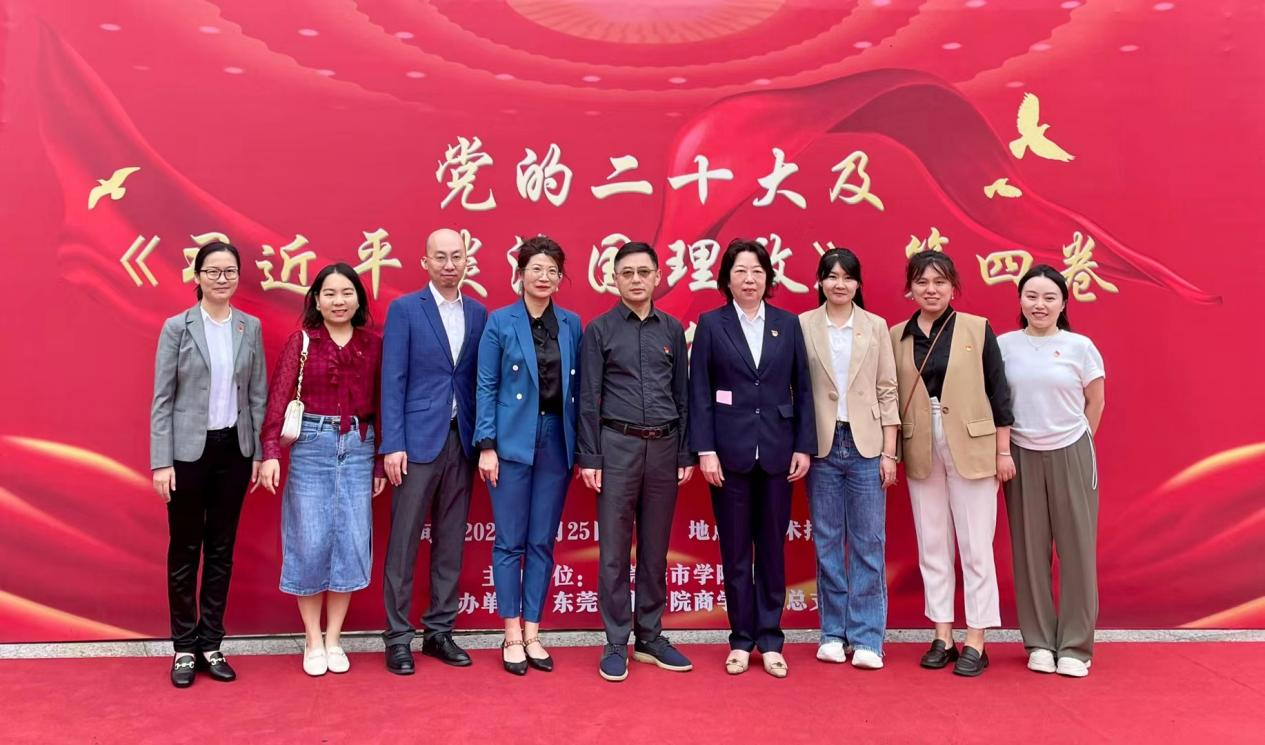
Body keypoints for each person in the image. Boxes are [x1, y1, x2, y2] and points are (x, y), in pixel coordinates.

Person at [688, 239, 815, 679]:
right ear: (727, 278)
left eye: (757, 272)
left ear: (768, 278)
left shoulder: (787, 324)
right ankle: (741, 640)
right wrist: (705, 450)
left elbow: (803, 389)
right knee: (737, 552)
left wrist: (803, 446)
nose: (749, 279)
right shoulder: (712, 324)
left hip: (778, 453)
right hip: (729, 455)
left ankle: (772, 640)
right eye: (741, 271)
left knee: (773, 551)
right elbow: (700, 392)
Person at [259, 264, 386, 676]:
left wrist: (380, 460)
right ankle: (312, 638)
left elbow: (383, 405)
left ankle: (334, 638)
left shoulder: (374, 345)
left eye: (347, 293)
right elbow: (278, 398)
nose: (338, 301)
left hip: (359, 446)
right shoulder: (302, 341)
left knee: (350, 541)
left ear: (359, 300)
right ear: (316, 299)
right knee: (310, 540)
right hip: (312, 446)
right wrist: (271, 452)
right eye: (329, 293)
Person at [891, 250, 1014, 677]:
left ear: (953, 287)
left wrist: (1003, 451)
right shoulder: (897, 335)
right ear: (910, 288)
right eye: (922, 282)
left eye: (940, 282)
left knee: (976, 545)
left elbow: (999, 393)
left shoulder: (977, 329)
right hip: (921, 446)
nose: (931, 290)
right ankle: (942, 633)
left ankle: (977, 638)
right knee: (932, 543)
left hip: (973, 446)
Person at [577, 241, 696, 683]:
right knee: (613, 550)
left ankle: (650, 636)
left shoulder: (672, 329)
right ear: (614, 279)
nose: (636, 280)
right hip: (616, 447)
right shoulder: (600, 330)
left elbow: (683, 396)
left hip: (664, 448)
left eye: (643, 272)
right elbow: (588, 398)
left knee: (654, 548)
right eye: (626, 273)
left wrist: (684, 451)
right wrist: (590, 456)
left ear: (657, 276)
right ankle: (615, 641)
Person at [150, 240, 266, 688]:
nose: (222, 278)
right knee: (185, 549)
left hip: (233, 450)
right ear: (197, 277)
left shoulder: (248, 327)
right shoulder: (177, 327)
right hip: (186, 455)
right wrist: (161, 462)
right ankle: (183, 647)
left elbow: (256, 395)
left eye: (230, 271)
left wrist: (257, 452)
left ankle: (211, 643)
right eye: (213, 271)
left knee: (221, 549)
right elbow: (163, 400)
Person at [379, 228, 488, 674]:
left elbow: (480, 380)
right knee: (404, 543)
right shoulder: (406, 309)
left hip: (462, 440)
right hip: (415, 443)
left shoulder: (478, 313)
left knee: (450, 541)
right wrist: (393, 444)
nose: (449, 264)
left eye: (456, 256)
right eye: (440, 257)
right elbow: (393, 379)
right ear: (424, 262)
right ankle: (397, 637)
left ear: (467, 261)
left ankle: (439, 631)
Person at [474, 235, 583, 675]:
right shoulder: (500, 321)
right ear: (520, 274)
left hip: (557, 441)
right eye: (536, 268)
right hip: (511, 441)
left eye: (552, 270)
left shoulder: (572, 324)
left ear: (560, 278)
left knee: (542, 540)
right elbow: (485, 385)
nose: (544, 277)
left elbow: (581, 389)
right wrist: (487, 446)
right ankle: (512, 633)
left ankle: (534, 632)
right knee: (509, 541)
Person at [998, 265, 1105, 678]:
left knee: (1077, 550)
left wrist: (1079, 438)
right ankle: (1039, 642)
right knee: (1029, 551)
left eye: (1049, 298)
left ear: (1063, 303)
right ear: (1020, 300)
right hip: (1020, 454)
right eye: (1031, 296)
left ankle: (1076, 646)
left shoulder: (1080, 347)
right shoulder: (1004, 345)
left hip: (1071, 451)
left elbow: (1096, 400)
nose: (1039, 305)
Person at [799, 248, 900, 671]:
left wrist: (889, 451)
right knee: (826, 542)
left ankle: (867, 637)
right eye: (832, 276)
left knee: (868, 542)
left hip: (866, 445)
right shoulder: (803, 324)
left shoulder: (875, 326)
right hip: (822, 444)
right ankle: (832, 634)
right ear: (820, 281)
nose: (839, 284)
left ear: (858, 283)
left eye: (847, 277)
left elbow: (888, 389)